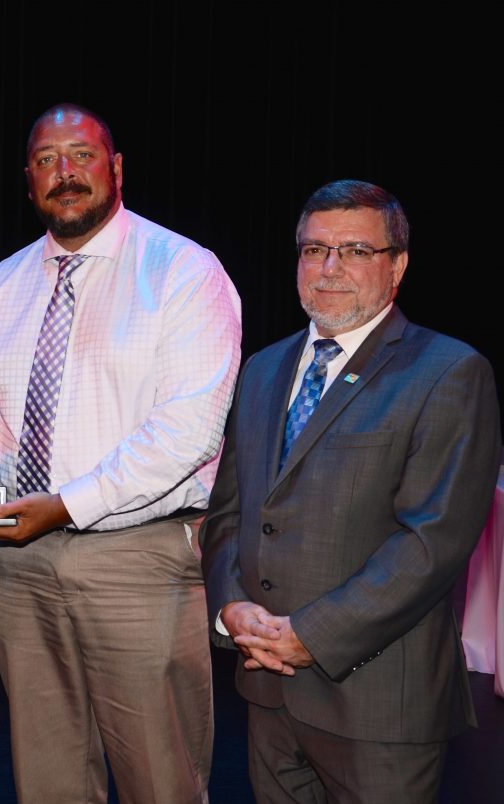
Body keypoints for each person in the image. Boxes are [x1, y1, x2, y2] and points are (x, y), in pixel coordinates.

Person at [0, 103, 242, 802]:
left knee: (160, 782)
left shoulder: (181, 271)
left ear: (115, 169)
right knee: (49, 781)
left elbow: (189, 431)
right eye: (48, 160)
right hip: (20, 567)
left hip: (137, 562)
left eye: (82, 156)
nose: (66, 173)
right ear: (28, 181)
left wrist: (64, 507)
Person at [199, 179, 501, 802]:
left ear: (398, 266)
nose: (330, 268)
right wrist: (231, 608)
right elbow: (230, 512)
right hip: (268, 690)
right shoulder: (262, 369)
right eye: (314, 250)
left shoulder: (449, 372)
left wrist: (310, 634)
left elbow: (431, 543)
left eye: (356, 251)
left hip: (379, 706)